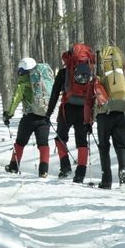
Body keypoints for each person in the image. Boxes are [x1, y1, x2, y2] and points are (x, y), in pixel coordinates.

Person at [87, 45, 125, 189]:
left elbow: (92, 96)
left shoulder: (99, 75)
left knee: (104, 147)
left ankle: (106, 179)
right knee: (121, 146)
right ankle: (124, 176)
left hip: (104, 114)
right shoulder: (122, 73)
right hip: (121, 112)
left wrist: (88, 118)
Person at [46, 44, 95, 183]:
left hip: (67, 109)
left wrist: (48, 113)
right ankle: (80, 172)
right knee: (82, 141)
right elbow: (94, 95)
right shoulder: (91, 73)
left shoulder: (64, 73)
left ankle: (65, 166)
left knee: (60, 138)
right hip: (84, 110)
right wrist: (92, 116)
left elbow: (55, 93)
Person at [3, 57, 53, 178]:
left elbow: (16, 99)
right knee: (43, 144)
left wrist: (8, 114)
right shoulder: (43, 77)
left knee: (20, 142)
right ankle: (43, 170)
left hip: (29, 118)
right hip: (44, 117)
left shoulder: (23, 82)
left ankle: (14, 167)